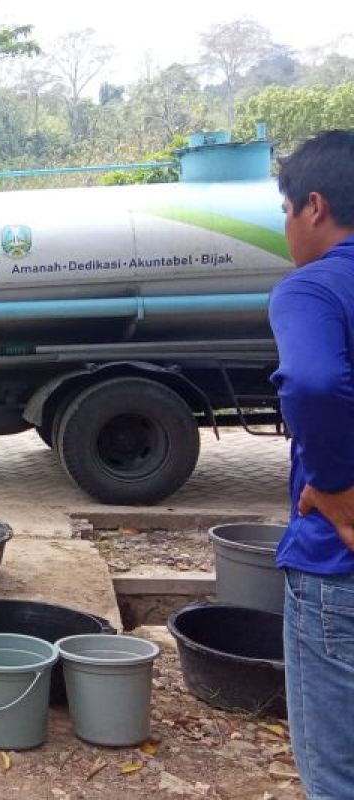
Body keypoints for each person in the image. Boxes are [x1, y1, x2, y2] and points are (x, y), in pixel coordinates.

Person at [268, 129, 354, 799]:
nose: (286, 227)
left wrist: (333, 485)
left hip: (339, 564)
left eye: (286, 210)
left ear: (315, 207)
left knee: (336, 777)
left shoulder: (313, 289)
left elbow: (314, 383)